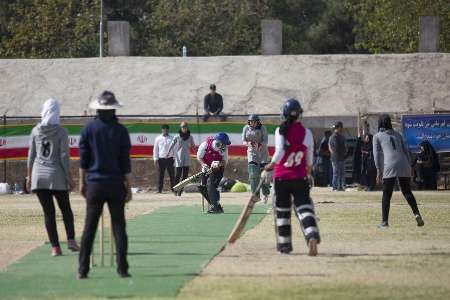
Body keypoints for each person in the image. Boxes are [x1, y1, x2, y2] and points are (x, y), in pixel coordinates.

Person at [78, 91, 132, 279]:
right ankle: (122, 268)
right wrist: (129, 185)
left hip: (94, 183)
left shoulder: (88, 129)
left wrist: (81, 183)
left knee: (89, 228)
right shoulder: (121, 130)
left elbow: (83, 161)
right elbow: (125, 162)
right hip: (116, 183)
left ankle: (82, 269)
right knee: (119, 227)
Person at [264, 98, 320, 256]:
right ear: (299, 115)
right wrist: (307, 171)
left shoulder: (280, 130)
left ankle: (284, 246)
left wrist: (270, 165)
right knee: (304, 208)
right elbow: (309, 160)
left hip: (282, 177)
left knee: (282, 212)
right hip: (300, 177)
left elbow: (280, 151)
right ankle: (312, 235)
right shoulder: (307, 133)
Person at [26, 98, 79, 257]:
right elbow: (64, 156)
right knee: (66, 209)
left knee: (48, 213)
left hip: (38, 177)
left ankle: (55, 247)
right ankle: (71, 240)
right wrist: (70, 177)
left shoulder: (35, 130)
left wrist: (29, 177)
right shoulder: (62, 132)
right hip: (56, 175)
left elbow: (31, 155)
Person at [373, 114, 424, 228]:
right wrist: (410, 166)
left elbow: (376, 155)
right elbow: (406, 151)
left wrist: (378, 171)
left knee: (387, 194)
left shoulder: (377, 136)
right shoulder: (398, 134)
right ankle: (417, 214)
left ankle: (385, 222)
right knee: (407, 191)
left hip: (390, 164)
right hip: (404, 163)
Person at [197, 132, 230, 214]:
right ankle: (216, 205)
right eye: (224, 144)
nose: (225, 146)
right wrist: (203, 165)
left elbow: (225, 161)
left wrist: (218, 164)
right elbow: (199, 157)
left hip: (218, 170)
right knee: (202, 187)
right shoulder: (205, 145)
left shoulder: (224, 149)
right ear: (219, 142)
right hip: (206, 167)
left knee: (211, 184)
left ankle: (215, 207)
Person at [242, 114, 270, 202]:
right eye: (251, 122)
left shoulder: (262, 128)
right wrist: (248, 144)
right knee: (253, 174)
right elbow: (243, 141)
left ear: (258, 122)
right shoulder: (246, 128)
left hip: (262, 154)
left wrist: (259, 145)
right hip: (252, 153)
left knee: (263, 175)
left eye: (254, 122)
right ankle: (255, 195)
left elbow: (265, 141)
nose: (253, 124)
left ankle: (265, 194)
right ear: (249, 122)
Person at [168, 122, 196, 196]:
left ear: (187, 128)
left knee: (185, 176)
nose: (184, 128)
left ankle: (181, 190)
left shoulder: (190, 137)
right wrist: (168, 152)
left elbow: (193, 146)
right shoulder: (177, 136)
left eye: (186, 127)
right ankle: (175, 190)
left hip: (186, 157)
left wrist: (197, 151)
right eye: (183, 127)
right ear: (181, 128)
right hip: (179, 158)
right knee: (177, 175)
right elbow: (172, 144)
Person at [153, 124, 175, 193]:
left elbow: (175, 148)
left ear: (168, 130)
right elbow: (155, 149)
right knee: (160, 175)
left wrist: (175, 158)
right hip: (161, 159)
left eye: (166, 129)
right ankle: (159, 190)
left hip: (170, 159)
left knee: (172, 175)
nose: (165, 130)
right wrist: (155, 158)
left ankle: (173, 189)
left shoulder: (172, 138)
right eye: (164, 129)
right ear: (162, 130)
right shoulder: (158, 138)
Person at [329, 121, 347, 191]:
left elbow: (344, 146)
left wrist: (345, 152)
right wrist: (333, 154)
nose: (342, 128)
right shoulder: (333, 136)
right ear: (338, 127)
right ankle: (335, 187)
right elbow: (331, 147)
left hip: (341, 157)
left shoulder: (341, 137)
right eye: (341, 127)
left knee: (341, 173)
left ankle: (341, 187)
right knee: (336, 173)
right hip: (336, 158)